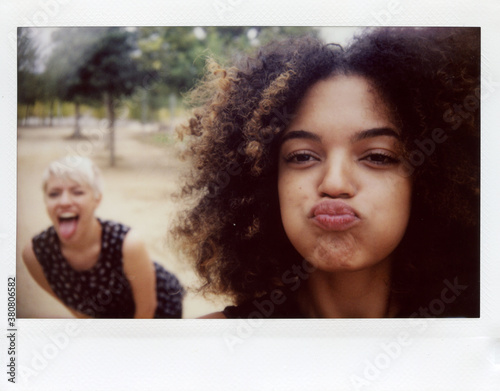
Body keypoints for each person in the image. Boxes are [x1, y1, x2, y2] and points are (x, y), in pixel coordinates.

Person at [171, 27, 480, 318]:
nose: (334, 184)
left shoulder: (475, 343)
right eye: (303, 156)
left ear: (429, 181)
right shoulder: (210, 350)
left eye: (377, 156)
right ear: (268, 182)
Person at [22, 156, 183, 318]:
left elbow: (147, 310)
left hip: (158, 308)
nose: (64, 201)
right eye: (54, 194)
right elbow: (77, 312)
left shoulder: (127, 243)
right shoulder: (34, 255)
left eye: (77, 192)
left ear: (96, 199)